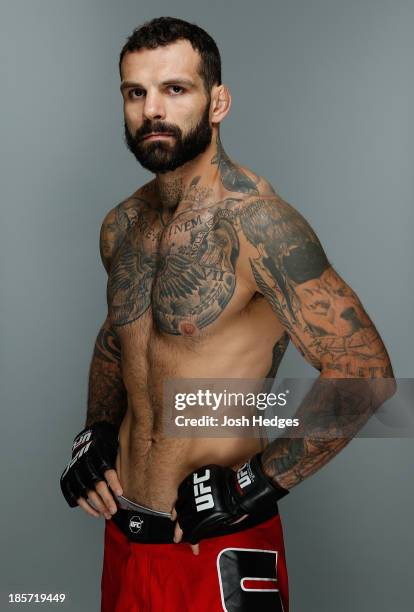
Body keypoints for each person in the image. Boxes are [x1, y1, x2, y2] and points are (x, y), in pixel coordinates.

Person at [60, 16, 395, 612]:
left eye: (175, 89)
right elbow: (118, 339)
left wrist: (256, 485)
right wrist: (97, 431)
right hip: (127, 542)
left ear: (218, 102)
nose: (152, 110)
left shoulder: (259, 224)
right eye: (136, 93)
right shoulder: (123, 226)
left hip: (217, 547)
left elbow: (366, 374)